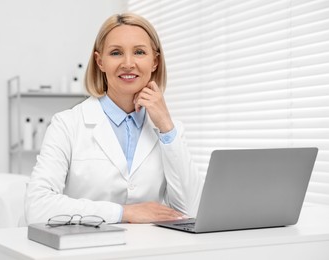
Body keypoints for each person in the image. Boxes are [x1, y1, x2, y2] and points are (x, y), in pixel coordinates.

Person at [25, 13, 203, 224]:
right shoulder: (67, 124)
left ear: (155, 62)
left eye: (139, 52)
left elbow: (191, 210)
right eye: (116, 53)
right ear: (100, 62)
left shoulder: (169, 131)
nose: (128, 64)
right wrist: (123, 213)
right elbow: (37, 207)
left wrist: (165, 125)